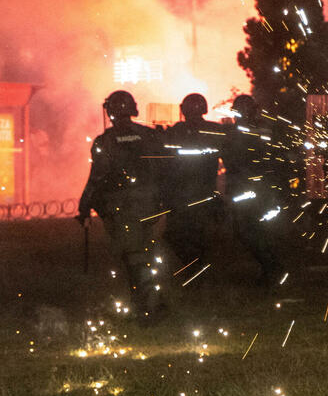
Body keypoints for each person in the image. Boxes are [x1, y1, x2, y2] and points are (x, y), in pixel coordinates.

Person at [78, 90, 165, 322]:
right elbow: (163, 168)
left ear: (110, 112)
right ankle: (148, 300)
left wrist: (84, 206)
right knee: (146, 252)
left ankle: (148, 306)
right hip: (151, 204)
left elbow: (96, 178)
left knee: (133, 255)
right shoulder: (150, 136)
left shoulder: (105, 142)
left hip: (123, 207)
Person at [222, 94, 284, 288]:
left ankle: (271, 267)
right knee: (249, 229)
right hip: (249, 188)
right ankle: (271, 267)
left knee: (252, 229)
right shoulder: (242, 131)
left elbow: (264, 158)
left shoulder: (256, 131)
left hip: (255, 188)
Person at [162, 93, 225, 270]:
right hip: (202, 192)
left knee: (178, 234)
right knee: (197, 234)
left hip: (182, 194)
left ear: (184, 110)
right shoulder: (214, 130)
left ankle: (195, 268)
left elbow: (164, 161)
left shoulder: (176, 131)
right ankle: (197, 266)